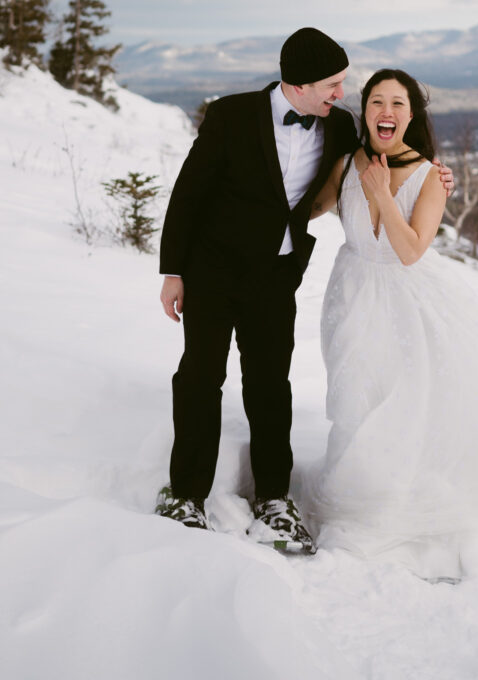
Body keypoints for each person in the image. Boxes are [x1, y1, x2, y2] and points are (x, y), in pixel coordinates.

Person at [155, 27, 456, 551]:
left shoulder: (338, 127)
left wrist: (435, 173)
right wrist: (174, 271)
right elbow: (189, 193)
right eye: (333, 84)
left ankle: (275, 498)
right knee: (201, 377)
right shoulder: (230, 115)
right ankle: (186, 495)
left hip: (275, 278)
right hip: (212, 272)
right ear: (299, 84)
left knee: (271, 386)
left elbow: (380, 153)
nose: (343, 95)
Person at [308, 69, 478, 581]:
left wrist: (382, 193)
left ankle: (388, 506)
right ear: (365, 110)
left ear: (411, 115)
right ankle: (357, 499)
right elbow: (311, 208)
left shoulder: (430, 175)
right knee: (354, 399)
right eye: (375, 101)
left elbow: (412, 250)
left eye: (397, 103)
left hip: (405, 303)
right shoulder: (347, 163)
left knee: (403, 403)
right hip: (350, 296)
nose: (385, 112)